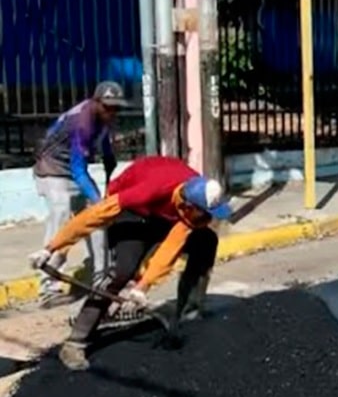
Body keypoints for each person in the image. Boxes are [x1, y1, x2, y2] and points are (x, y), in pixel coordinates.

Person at [27, 156, 232, 371]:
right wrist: (50, 248)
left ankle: (189, 316)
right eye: (205, 215)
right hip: (130, 212)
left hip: (160, 216)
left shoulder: (195, 201)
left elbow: (170, 249)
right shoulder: (149, 190)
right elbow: (92, 217)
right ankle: (76, 342)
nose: (209, 220)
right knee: (122, 271)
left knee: (206, 240)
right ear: (189, 205)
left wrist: (143, 287)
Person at [32, 81, 130, 308]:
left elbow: (103, 136)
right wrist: (98, 201)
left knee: (97, 220)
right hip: (52, 169)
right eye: (108, 107)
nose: (112, 112)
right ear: (96, 103)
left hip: (75, 169)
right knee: (62, 216)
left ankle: (101, 279)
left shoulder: (104, 116)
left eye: (116, 108)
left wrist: (108, 156)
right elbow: (78, 169)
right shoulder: (82, 122)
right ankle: (48, 286)